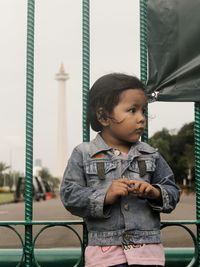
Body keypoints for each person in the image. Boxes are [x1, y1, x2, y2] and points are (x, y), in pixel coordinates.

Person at [60, 73, 180, 267]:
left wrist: (154, 192)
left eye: (144, 111)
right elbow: (69, 195)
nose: (141, 118)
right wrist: (105, 196)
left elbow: (173, 191)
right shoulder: (83, 153)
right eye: (132, 110)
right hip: (105, 257)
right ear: (103, 116)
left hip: (148, 255)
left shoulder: (150, 154)